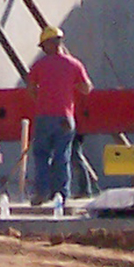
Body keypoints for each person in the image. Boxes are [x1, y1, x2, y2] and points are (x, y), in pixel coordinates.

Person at [25, 25, 93, 208]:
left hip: (44, 116)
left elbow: (31, 89)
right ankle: (61, 195)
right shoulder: (74, 64)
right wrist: (72, 87)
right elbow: (87, 88)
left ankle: (42, 193)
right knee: (62, 155)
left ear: (47, 45)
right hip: (65, 118)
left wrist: (42, 99)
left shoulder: (39, 66)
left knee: (41, 155)